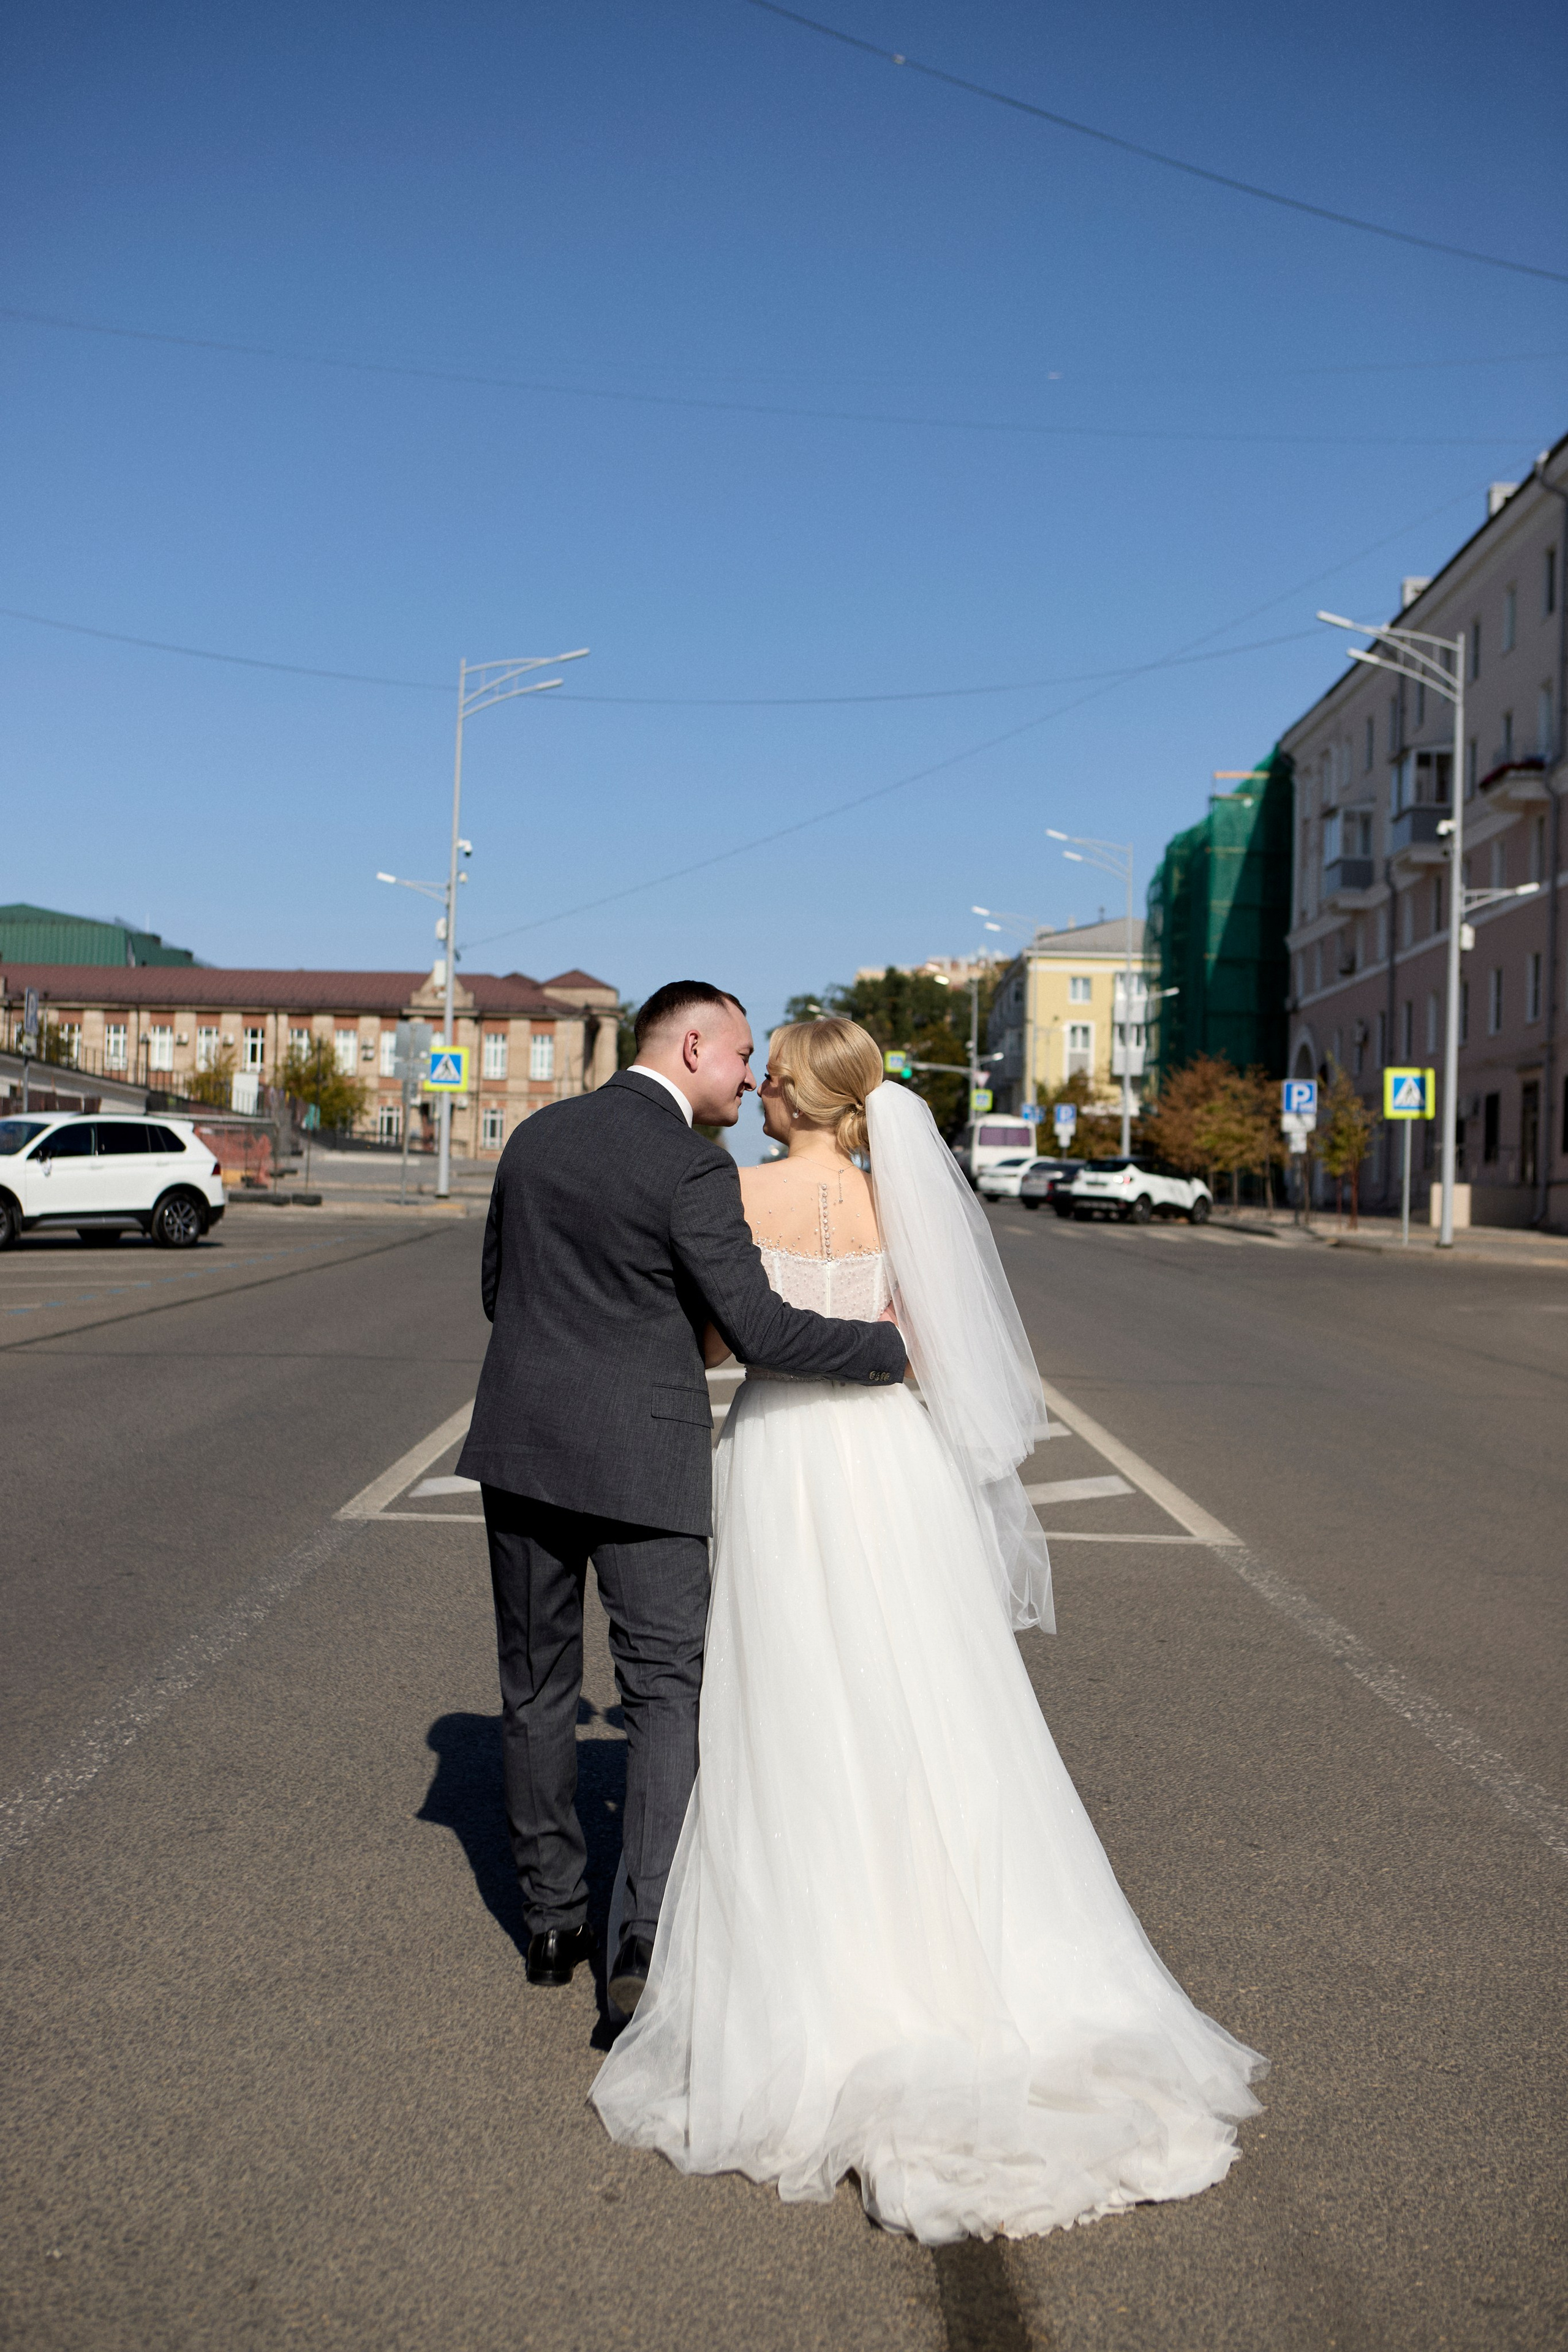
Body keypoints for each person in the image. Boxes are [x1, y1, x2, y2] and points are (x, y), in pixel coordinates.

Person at [590, 1017, 1265, 2245]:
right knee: (926, 1696)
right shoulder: (893, 1195)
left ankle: (821, 1952)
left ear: (791, 1096)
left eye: (769, 1078)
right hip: (889, 1465)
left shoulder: (740, 1193)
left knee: (788, 1702)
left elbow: (715, 1341)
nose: (755, 1092)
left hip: (783, 1457)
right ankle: (964, 1936)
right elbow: (925, 1346)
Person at [456, 983, 905, 2020]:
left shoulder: (533, 1138)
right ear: (693, 1043)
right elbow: (762, 1330)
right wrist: (890, 1348)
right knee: (666, 1692)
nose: (752, 1077)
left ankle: (551, 1922)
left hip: (522, 1449)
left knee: (534, 1686)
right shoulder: (694, 1166)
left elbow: (499, 1290)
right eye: (742, 1054)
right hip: (647, 1463)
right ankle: (642, 1938)